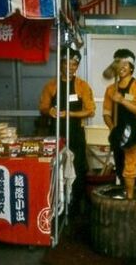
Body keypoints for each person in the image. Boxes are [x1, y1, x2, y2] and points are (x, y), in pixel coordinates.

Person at [39, 46, 96, 213]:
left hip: (76, 133)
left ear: (77, 66)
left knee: (77, 167)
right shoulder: (51, 85)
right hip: (56, 132)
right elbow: (43, 106)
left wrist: (69, 113)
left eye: (73, 64)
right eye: (66, 63)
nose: (70, 67)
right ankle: (56, 204)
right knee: (56, 167)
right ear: (61, 64)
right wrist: (49, 110)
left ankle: (76, 205)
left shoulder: (82, 86)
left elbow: (90, 110)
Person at [103, 48, 136, 183]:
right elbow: (106, 113)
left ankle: (135, 198)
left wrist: (122, 100)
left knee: (133, 169)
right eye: (118, 65)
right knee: (120, 168)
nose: (122, 68)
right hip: (118, 132)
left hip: (134, 134)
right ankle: (123, 197)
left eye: (125, 65)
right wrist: (113, 128)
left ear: (131, 68)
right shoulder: (111, 89)